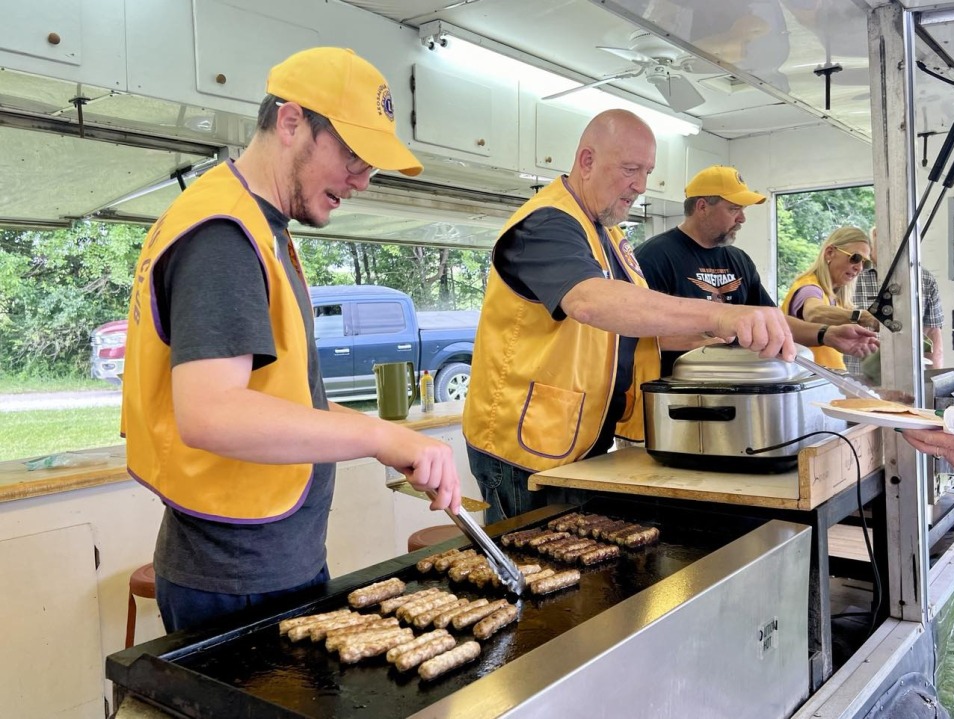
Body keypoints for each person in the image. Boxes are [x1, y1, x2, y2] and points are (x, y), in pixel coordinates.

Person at [121, 47, 462, 633]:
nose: (363, 179)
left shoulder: (260, 226)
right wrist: (378, 434)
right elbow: (211, 414)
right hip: (233, 580)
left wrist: (388, 440)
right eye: (353, 155)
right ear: (290, 122)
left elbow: (282, 399)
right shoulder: (224, 234)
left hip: (272, 559)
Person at [463, 110, 799, 524]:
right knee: (534, 573)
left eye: (647, 172)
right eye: (629, 169)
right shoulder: (545, 224)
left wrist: (720, 337)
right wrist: (720, 315)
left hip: (572, 438)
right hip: (523, 447)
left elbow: (631, 332)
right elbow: (590, 302)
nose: (640, 185)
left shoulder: (609, 236)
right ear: (586, 161)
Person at [634, 166, 879, 377]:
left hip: (739, 391)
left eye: (743, 210)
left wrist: (827, 334)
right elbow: (628, 335)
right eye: (733, 209)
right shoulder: (654, 257)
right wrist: (703, 337)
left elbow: (773, 320)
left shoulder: (739, 260)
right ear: (702, 207)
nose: (742, 218)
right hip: (674, 398)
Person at [846, 227, 944, 377]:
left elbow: (932, 334)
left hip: (908, 380)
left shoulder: (924, 279)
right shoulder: (852, 275)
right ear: (875, 237)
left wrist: (934, 383)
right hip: (858, 381)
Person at [780, 226, 878, 369]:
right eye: (855, 258)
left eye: (865, 262)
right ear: (830, 253)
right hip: (810, 384)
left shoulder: (834, 297)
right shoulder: (809, 288)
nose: (859, 268)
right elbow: (814, 313)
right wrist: (864, 317)